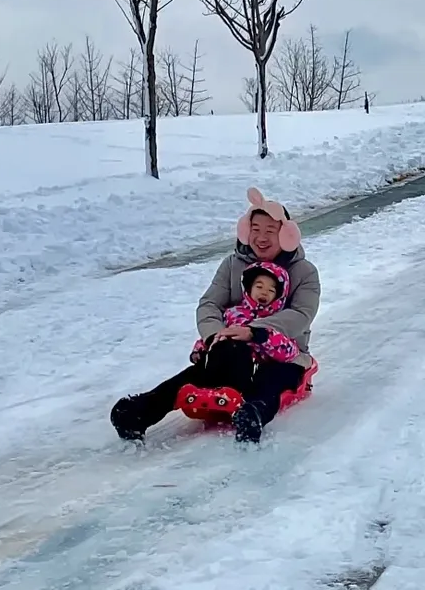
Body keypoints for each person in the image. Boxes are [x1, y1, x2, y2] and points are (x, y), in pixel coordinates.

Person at [110, 187, 322, 444]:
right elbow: (210, 304)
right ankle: (140, 412)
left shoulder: (304, 272)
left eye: (270, 230)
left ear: (286, 234)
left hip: (282, 352)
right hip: (230, 348)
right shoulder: (233, 265)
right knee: (198, 373)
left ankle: (252, 414)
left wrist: (253, 331)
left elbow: (301, 314)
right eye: (255, 229)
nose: (261, 237)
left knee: (272, 378)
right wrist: (214, 335)